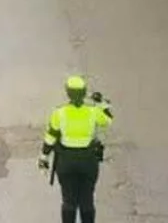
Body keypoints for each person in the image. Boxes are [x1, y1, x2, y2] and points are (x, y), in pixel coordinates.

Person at [38, 76, 114, 223]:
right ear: (84, 92)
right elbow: (108, 119)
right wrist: (101, 102)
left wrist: (44, 157)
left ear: (68, 93)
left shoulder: (59, 113)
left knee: (69, 201)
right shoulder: (93, 112)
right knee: (87, 200)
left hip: (66, 162)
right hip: (88, 161)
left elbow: (50, 138)